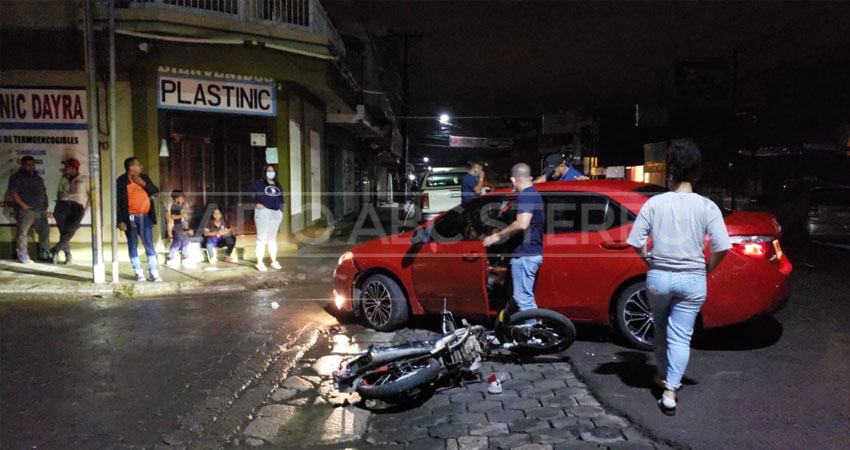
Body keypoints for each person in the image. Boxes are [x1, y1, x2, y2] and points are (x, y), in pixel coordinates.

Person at [626, 139, 731, 416]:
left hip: (659, 276)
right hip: (693, 278)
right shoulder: (707, 206)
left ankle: (660, 374)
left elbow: (636, 241)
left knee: (660, 327)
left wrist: (648, 258)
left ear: (670, 174)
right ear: (696, 174)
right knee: (681, 336)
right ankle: (671, 390)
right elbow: (722, 247)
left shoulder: (655, 204)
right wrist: (709, 267)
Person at [482, 163, 545, 323]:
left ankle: (532, 336)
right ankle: (507, 331)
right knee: (515, 300)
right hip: (527, 254)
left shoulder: (526, 195)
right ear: (530, 177)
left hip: (525, 255)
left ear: (513, 179)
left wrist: (498, 236)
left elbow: (521, 224)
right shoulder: (533, 194)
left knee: (523, 300)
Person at [116, 157, 161, 282]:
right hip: (130, 216)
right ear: (131, 167)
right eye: (138, 165)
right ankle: (138, 272)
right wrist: (120, 220)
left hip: (145, 217)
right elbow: (117, 203)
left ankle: (154, 272)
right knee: (133, 243)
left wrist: (143, 183)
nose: (141, 167)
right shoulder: (121, 181)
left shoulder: (145, 178)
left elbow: (156, 192)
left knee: (149, 244)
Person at [8, 156, 50, 263]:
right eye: (27, 164)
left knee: (44, 232)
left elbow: (44, 192)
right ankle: (23, 256)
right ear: (22, 165)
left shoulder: (38, 178)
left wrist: (46, 203)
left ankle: (44, 255)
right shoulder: (17, 177)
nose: (30, 166)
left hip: (40, 209)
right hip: (27, 210)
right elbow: (13, 193)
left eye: (32, 164)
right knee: (23, 233)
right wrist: (23, 205)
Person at [50, 158, 89, 264]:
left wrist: (84, 209)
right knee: (64, 232)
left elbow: (91, 195)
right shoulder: (63, 178)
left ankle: (56, 249)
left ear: (74, 168)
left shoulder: (84, 179)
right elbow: (59, 193)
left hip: (77, 207)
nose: (65, 168)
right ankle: (68, 256)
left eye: (67, 166)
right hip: (62, 206)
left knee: (71, 230)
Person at [248, 164, 284, 272]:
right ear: (265, 172)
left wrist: (281, 211)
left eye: (272, 170)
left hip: (276, 213)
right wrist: (256, 204)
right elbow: (248, 194)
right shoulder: (258, 183)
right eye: (268, 170)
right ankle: (260, 262)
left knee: (272, 239)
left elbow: (281, 198)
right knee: (262, 238)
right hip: (263, 212)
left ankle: (274, 260)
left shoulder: (278, 184)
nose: (271, 172)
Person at [166, 190, 194, 268]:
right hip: (176, 227)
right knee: (177, 242)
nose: (183, 200)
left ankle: (185, 258)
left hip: (181, 226)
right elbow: (173, 217)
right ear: (176, 198)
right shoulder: (174, 206)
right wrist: (183, 216)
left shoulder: (180, 207)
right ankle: (170, 258)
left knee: (185, 241)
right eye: (182, 198)